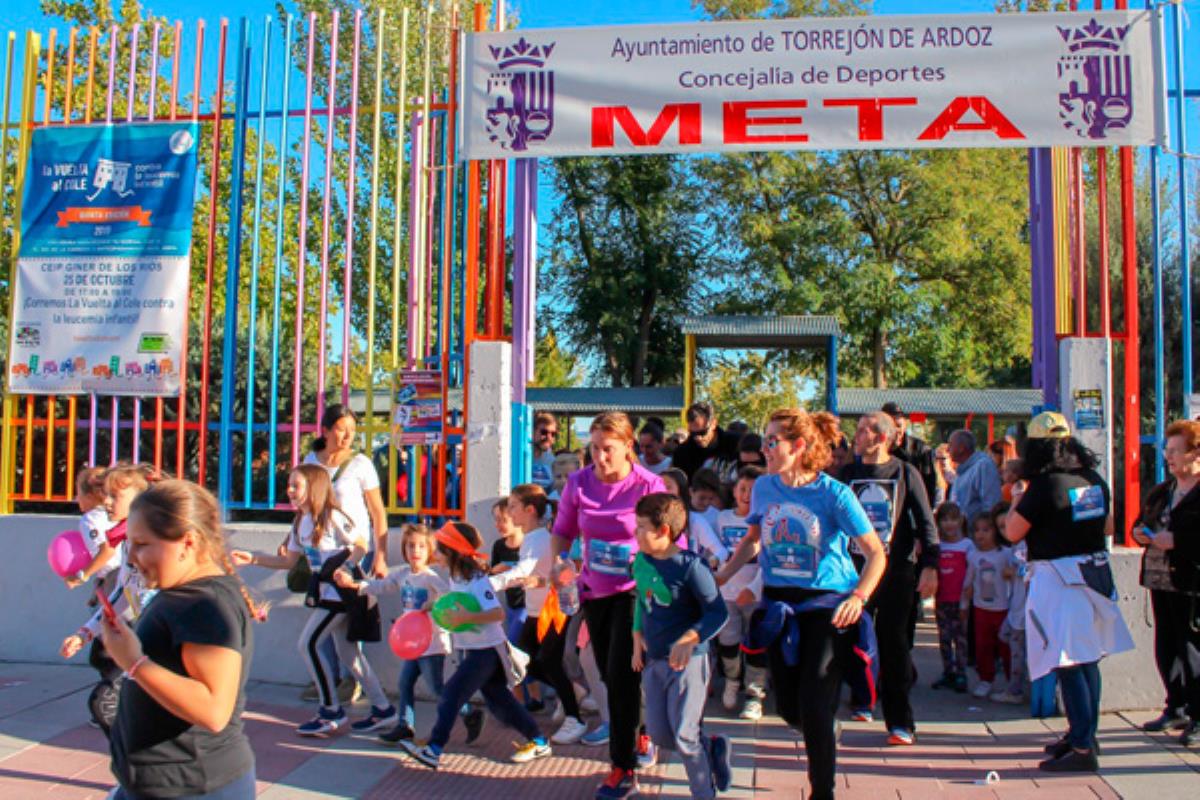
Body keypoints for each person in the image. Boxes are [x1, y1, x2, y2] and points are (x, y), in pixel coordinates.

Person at [716, 408, 886, 800]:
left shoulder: (834, 494)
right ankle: (821, 726)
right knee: (791, 708)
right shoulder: (764, 487)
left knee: (813, 700)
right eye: (764, 440)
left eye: (772, 441)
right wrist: (722, 576)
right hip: (779, 605)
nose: (765, 448)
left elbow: (875, 553)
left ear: (799, 446)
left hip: (826, 606)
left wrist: (859, 597)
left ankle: (821, 790)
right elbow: (754, 540)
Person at [102, 480, 262, 800]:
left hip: (192, 786)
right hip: (157, 784)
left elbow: (213, 710)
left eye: (142, 544)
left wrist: (134, 662)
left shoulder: (206, 606)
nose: (131, 557)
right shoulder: (181, 593)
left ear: (187, 543)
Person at [1005, 411, 1134, 772]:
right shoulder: (1092, 478)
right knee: (1087, 659)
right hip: (1093, 573)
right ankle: (1084, 733)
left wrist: (1018, 498)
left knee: (1068, 661)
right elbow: (1108, 524)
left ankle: (1081, 747)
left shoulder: (1045, 486)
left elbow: (1012, 532)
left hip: (1059, 579)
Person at [231, 464, 396, 737]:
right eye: (289, 485)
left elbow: (360, 544)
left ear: (314, 487)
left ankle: (330, 711)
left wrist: (346, 565)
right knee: (348, 654)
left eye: (296, 485)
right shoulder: (300, 522)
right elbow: (287, 561)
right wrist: (253, 558)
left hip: (342, 593)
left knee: (308, 643)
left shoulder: (332, 517)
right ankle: (383, 709)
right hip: (326, 593)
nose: (290, 491)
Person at [551, 411, 666, 800]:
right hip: (594, 591)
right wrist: (560, 565)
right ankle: (645, 728)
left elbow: (674, 541)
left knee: (619, 675)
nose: (599, 458)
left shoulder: (648, 485)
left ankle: (622, 767)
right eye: (594, 448)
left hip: (636, 591)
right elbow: (563, 532)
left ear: (628, 448)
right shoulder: (579, 483)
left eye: (608, 450)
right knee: (608, 672)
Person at [398, 522, 551, 769]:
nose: (434, 554)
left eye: (439, 549)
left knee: (450, 695)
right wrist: (435, 606)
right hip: (477, 650)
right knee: (500, 701)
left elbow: (497, 613)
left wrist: (466, 618)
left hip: (487, 652)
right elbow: (459, 601)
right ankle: (539, 740)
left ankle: (434, 749)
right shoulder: (457, 577)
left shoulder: (477, 580)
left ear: (452, 551)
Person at [331, 523, 481, 746]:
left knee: (437, 688)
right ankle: (404, 726)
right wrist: (355, 585)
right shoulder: (402, 575)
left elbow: (450, 597)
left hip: (432, 645)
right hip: (411, 645)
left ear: (430, 550)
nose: (415, 551)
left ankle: (470, 713)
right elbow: (381, 586)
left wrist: (435, 604)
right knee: (405, 683)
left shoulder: (431, 578)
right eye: (411, 546)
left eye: (421, 546)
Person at [840, 412, 939, 745]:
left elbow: (926, 521)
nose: (857, 434)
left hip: (897, 570)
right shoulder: (848, 474)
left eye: (864, 430)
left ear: (881, 437)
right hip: (853, 571)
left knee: (893, 642)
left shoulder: (905, 472)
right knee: (852, 638)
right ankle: (861, 699)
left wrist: (930, 565)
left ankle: (900, 722)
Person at [631, 493, 732, 799]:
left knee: (686, 738)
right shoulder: (641, 560)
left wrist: (690, 638)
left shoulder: (691, 566)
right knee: (660, 735)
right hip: (654, 660)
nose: (634, 533)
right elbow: (641, 598)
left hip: (689, 663)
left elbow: (718, 612)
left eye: (640, 527)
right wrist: (636, 638)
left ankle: (704, 792)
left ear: (663, 531)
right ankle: (712, 746)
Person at [59, 463, 162, 736]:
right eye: (105, 494)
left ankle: (137, 771)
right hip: (141, 638)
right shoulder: (128, 541)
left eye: (114, 496)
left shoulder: (160, 541)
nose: (106, 501)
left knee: (106, 703)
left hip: (163, 644)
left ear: (140, 500)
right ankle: (131, 771)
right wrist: (84, 633)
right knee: (117, 706)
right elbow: (122, 593)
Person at [500, 483, 589, 744]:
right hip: (535, 611)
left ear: (529, 510)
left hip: (554, 610)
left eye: (513, 507)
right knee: (525, 660)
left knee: (547, 660)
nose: (510, 512)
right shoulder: (533, 538)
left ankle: (575, 718)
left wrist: (497, 581)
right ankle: (573, 689)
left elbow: (529, 570)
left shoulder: (539, 537)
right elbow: (537, 574)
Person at [1131, 419, 1200, 745]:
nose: (1169, 458)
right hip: (1159, 579)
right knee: (1167, 646)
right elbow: (1139, 521)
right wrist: (1139, 534)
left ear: (1194, 453)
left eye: (1175, 451)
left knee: (1192, 650)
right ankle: (1176, 705)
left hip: (1190, 581)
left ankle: (1198, 715)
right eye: (1166, 452)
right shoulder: (1163, 490)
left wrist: (1178, 540)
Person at [715, 466, 768, 721]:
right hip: (726, 594)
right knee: (728, 641)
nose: (747, 495)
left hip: (754, 595)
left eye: (754, 490)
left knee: (756, 644)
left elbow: (769, 559)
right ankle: (732, 680)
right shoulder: (722, 518)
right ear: (734, 491)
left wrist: (754, 587)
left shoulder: (767, 519)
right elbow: (711, 550)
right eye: (742, 489)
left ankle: (754, 695)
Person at [960, 513, 1012, 699]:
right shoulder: (973, 556)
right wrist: (964, 605)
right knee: (983, 646)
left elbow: (1014, 577)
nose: (980, 534)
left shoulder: (1006, 554)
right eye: (977, 530)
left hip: (1003, 609)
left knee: (1006, 647)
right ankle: (985, 679)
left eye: (986, 530)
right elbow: (968, 582)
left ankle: (1011, 680)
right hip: (981, 609)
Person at [931, 503, 971, 693]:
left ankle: (961, 672)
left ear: (961, 520)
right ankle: (948, 671)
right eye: (945, 519)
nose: (949, 524)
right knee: (944, 638)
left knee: (961, 638)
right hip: (942, 599)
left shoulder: (967, 545)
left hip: (961, 600)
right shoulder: (937, 546)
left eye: (953, 519)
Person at [993, 502, 1027, 705]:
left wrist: (1013, 572)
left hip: (1023, 610)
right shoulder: (1014, 547)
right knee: (1006, 637)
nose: (1006, 531)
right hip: (1016, 607)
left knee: (1016, 651)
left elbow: (1028, 571)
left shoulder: (1024, 546)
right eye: (1001, 528)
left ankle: (1015, 690)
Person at [881, 402, 938, 504]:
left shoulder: (921, 449)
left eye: (898, 426)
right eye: (891, 426)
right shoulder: (877, 448)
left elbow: (930, 484)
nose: (896, 431)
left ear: (905, 424)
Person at [672, 402, 741, 481]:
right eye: (692, 433)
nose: (698, 438)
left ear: (714, 423)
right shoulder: (682, 453)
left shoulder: (737, 443)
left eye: (702, 433)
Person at [948, 430, 1003, 524]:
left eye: (950, 445)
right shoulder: (962, 471)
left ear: (961, 448)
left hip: (977, 535)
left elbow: (991, 504)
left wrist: (983, 533)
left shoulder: (984, 466)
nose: (947, 449)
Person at [531, 412, 559, 490]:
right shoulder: (520, 458)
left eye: (553, 434)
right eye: (544, 432)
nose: (549, 438)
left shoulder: (553, 462)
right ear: (532, 432)